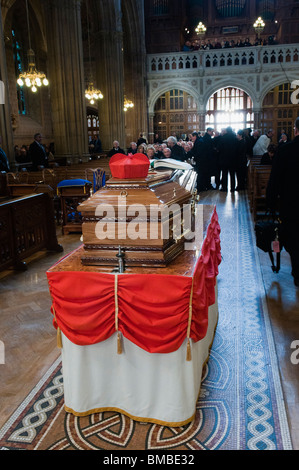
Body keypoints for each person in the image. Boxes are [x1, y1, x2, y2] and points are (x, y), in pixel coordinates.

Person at [266, 117, 299, 287]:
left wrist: (270, 203)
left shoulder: (286, 150)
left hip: (292, 204)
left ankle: (297, 272)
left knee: (294, 238)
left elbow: (275, 180)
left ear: (295, 130)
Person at [218, 127, 238, 192]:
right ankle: (232, 188)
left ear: (226, 131)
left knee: (224, 174)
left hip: (224, 159)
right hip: (233, 159)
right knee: (232, 174)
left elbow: (219, 148)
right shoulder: (235, 138)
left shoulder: (223, 137)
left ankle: (224, 188)